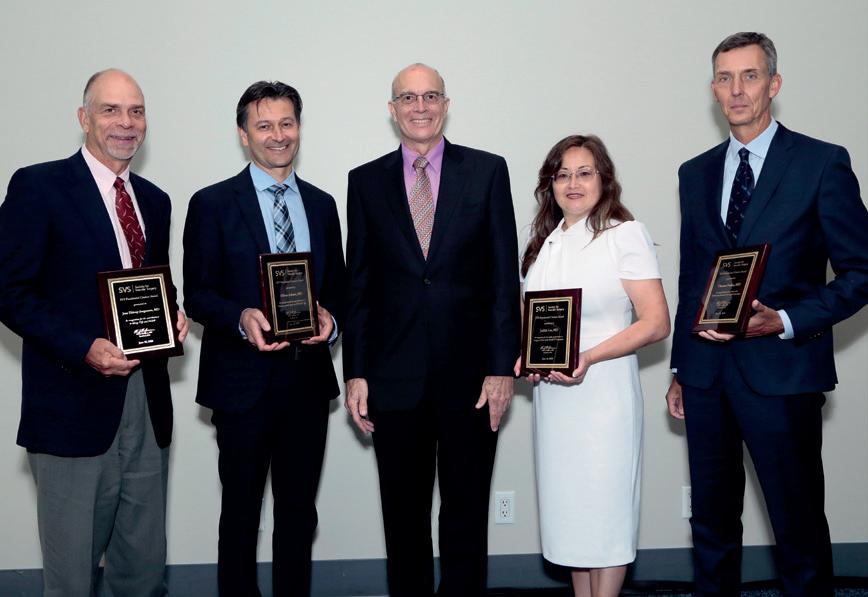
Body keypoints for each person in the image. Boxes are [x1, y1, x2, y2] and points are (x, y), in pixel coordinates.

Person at [667, 32, 868, 597]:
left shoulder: (821, 163)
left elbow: (861, 271)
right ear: (713, 90)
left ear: (773, 84)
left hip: (783, 374)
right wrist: (680, 368)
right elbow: (692, 277)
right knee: (710, 527)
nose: (737, 89)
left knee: (797, 529)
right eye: (724, 78)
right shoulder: (695, 173)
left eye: (750, 76)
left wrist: (785, 320)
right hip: (706, 377)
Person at [0, 69, 188, 597]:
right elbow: (9, 291)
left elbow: (153, 284)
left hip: (146, 404)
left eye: (136, 111)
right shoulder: (38, 186)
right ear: (84, 118)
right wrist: (83, 348)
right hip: (72, 405)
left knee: (142, 568)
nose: (126, 123)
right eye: (111, 110)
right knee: (71, 577)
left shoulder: (154, 200)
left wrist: (172, 314)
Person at [343, 63, 520, 597]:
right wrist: (356, 373)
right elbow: (359, 285)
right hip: (392, 379)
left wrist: (501, 368)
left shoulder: (487, 171)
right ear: (392, 109)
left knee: (466, 515)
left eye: (430, 96)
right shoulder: (364, 181)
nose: (419, 107)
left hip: (471, 380)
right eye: (408, 97)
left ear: (446, 104)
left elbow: (502, 277)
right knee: (403, 519)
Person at [182, 81, 346, 597]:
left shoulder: (322, 205)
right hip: (241, 386)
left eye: (287, 123)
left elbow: (339, 290)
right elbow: (197, 294)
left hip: (307, 383)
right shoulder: (211, 204)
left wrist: (332, 321)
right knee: (240, 514)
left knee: (299, 514)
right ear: (243, 134)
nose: (278, 135)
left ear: (299, 127)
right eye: (265, 125)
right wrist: (241, 317)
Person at [519, 135, 670, 597]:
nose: (573, 183)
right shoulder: (543, 245)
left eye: (584, 173)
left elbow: (657, 322)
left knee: (605, 519)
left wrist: (588, 356)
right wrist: (525, 354)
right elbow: (533, 323)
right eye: (562, 174)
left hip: (604, 398)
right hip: (555, 402)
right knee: (572, 522)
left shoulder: (624, 235)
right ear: (549, 185)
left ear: (604, 179)